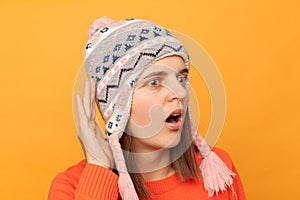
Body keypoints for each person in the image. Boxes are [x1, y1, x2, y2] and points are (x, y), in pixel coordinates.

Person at [48, 17, 245, 200]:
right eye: (154, 82)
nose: (181, 93)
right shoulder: (70, 188)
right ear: (118, 108)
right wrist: (99, 169)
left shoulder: (218, 174)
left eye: (180, 78)